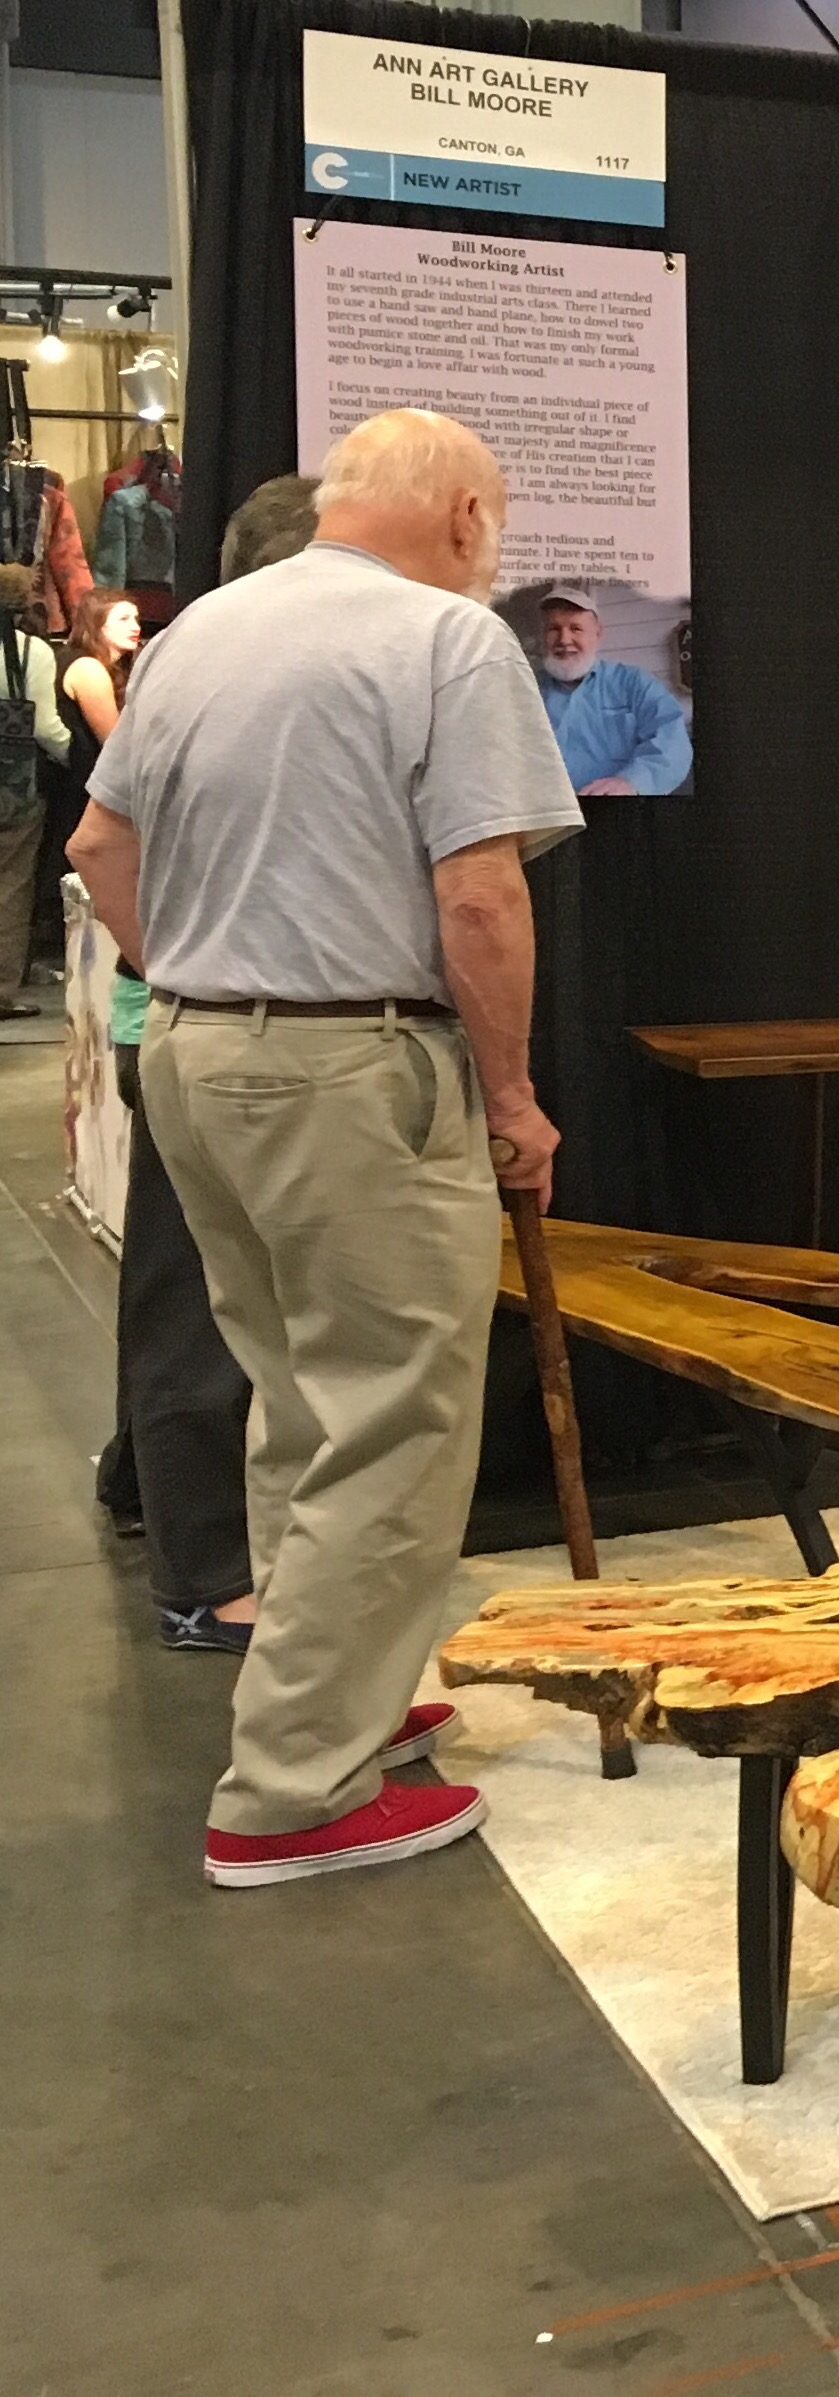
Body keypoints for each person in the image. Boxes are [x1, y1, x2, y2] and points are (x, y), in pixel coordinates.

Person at [69, 409, 578, 1887]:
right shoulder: (447, 641)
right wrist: (511, 1096)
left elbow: (100, 850)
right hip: (356, 1065)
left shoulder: (199, 635)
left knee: (298, 1402)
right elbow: (478, 896)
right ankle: (292, 1792)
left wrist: (210, 975)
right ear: (468, 518)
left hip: (197, 1049)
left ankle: (331, 1696)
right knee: (395, 1422)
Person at [100, 477, 318, 1654]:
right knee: (202, 1305)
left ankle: (157, 1503)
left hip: (184, 1025)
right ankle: (206, 1578)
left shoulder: (188, 670)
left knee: (191, 1289)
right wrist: (193, 973)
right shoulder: (232, 677)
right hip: (209, 1028)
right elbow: (101, 845)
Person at [33, 590, 141, 980]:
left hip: (76, 782)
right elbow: (114, 740)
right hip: (79, 786)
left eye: (136, 618)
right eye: (123, 619)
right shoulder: (88, 669)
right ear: (97, 624)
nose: (135, 626)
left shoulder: (93, 665)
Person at [531, 585, 691, 795]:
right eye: (554, 629)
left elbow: (673, 744)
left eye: (576, 628)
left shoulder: (634, 683)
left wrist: (630, 783)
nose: (564, 640)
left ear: (597, 634)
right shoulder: (525, 688)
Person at [0, 564, 67, 1017]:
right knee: (10, 885)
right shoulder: (30, 652)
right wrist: (75, 756)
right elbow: (44, 727)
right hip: (13, 788)